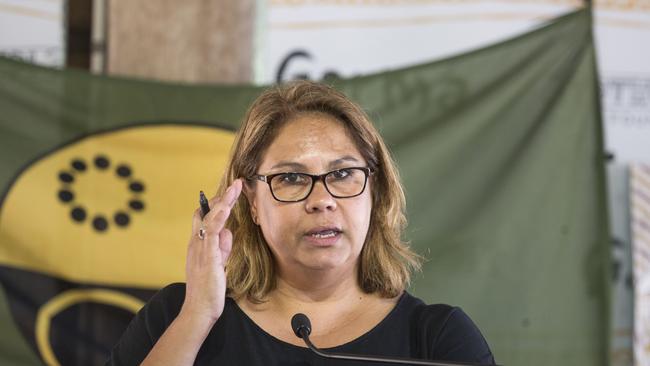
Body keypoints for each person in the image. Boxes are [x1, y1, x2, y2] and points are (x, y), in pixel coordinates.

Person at [106, 81, 495, 366]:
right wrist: (197, 315)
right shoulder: (177, 314)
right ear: (253, 203)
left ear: (373, 192)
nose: (322, 200)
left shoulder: (436, 338)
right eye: (291, 178)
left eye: (342, 174)